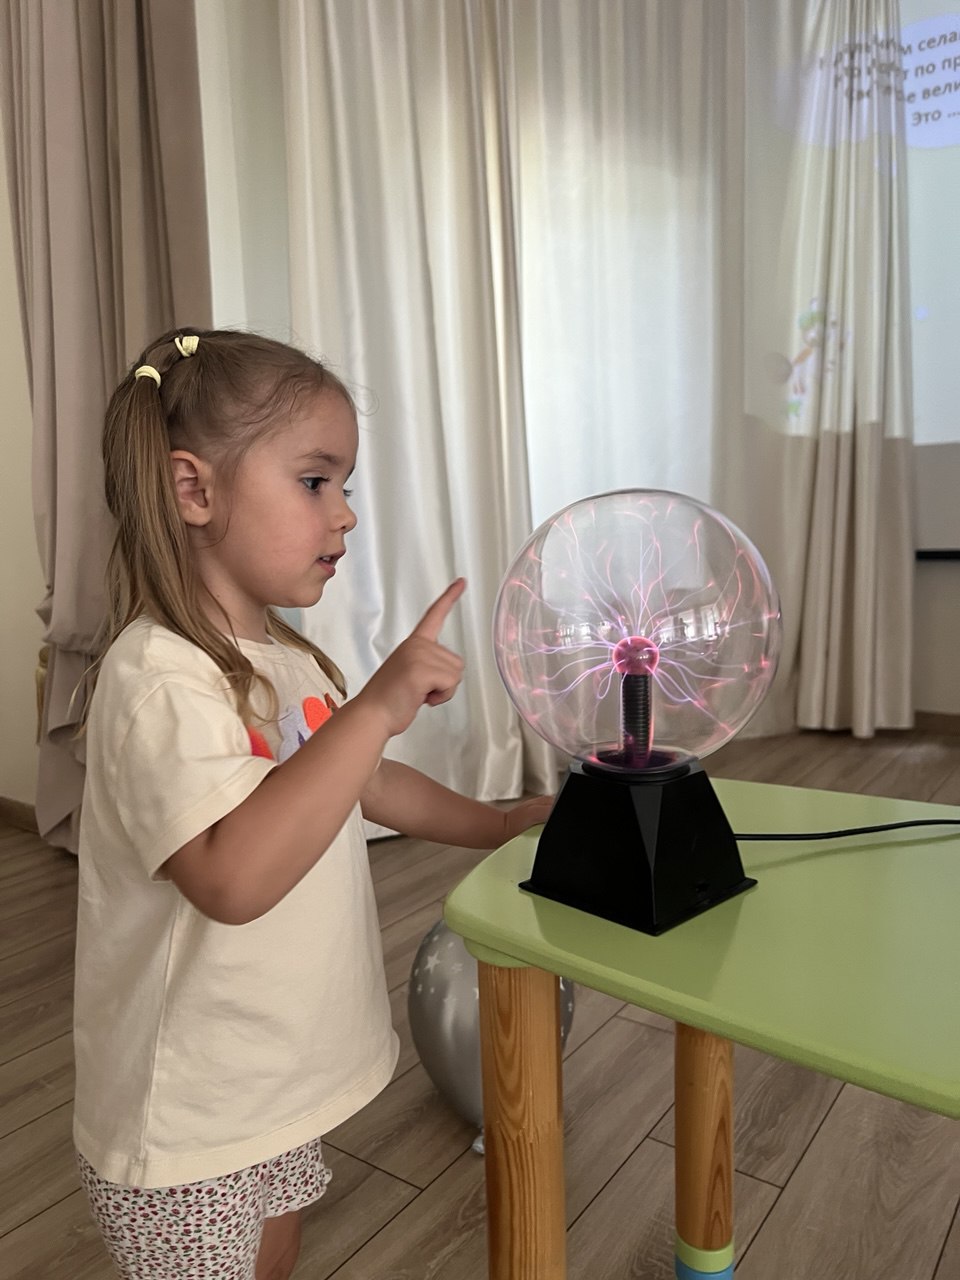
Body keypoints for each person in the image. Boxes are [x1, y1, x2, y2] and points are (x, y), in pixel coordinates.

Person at [73, 327, 552, 1280]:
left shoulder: (290, 664)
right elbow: (232, 878)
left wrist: (497, 824)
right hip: (190, 1119)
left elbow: (371, 783)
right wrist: (373, 707)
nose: (346, 515)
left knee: (276, 1253)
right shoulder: (158, 677)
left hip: (273, 1083)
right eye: (314, 481)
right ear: (193, 489)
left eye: (346, 485)